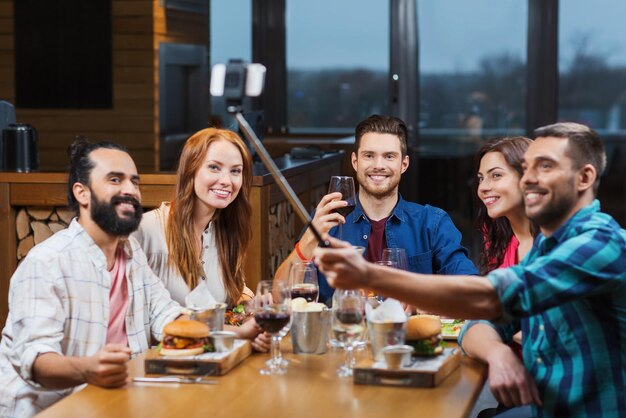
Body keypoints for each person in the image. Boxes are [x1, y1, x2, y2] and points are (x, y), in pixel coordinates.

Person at [314, 122, 626, 417]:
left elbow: (489, 297)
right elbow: (481, 322)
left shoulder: (600, 241)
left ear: (584, 179)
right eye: (526, 167)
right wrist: (497, 352)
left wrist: (368, 275)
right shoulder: (548, 245)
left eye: (544, 167)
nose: (528, 178)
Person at [0, 139, 184, 417]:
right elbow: (36, 360)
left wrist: (230, 334)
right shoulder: (47, 262)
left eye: (135, 182)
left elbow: (166, 316)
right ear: (82, 193)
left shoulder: (130, 250)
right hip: (50, 410)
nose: (130, 190)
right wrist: (88, 369)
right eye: (115, 179)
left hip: (118, 402)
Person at [275, 114, 477, 304]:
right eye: (369, 155)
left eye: (389, 156)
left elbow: (470, 288)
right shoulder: (327, 220)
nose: (378, 165)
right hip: (341, 335)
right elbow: (279, 297)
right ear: (355, 161)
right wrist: (311, 237)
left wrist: (418, 303)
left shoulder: (432, 222)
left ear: (403, 164)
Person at [133, 128, 269, 351]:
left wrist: (248, 307)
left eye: (236, 171)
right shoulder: (146, 230)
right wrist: (239, 334)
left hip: (211, 361)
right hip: (159, 366)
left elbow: (230, 297)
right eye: (214, 167)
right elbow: (146, 316)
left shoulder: (224, 231)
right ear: (190, 170)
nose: (226, 180)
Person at [464, 136, 538, 417]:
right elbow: (476, 322)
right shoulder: (500, 238)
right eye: (482, 178)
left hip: (561, 392)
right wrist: (498, 349)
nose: (484, 187)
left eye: (496, 176)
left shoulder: (558, 242)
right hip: (517, 389)